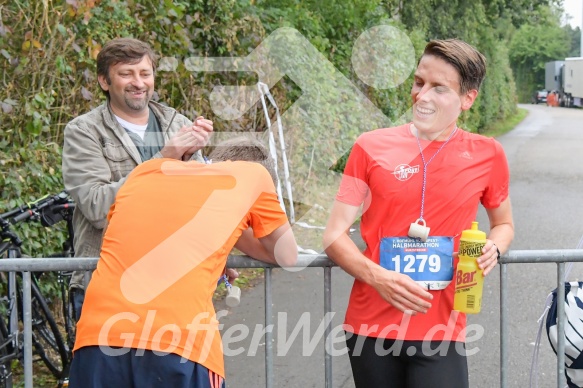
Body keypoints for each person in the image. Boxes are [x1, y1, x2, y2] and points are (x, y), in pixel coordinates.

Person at [323, 39, 514, 388]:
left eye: (439, 88)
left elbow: (503, 224)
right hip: (371, 326)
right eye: (418, 82)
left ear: (467, 98)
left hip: (442, 327)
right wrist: (380, 278)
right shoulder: (370, 146)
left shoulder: (487, 154)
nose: (422, 95)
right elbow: (334, 235)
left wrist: (494, 248)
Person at [68, 136, 298, 388]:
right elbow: (286, 254)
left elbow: (122, 238)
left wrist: (216, 247)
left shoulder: (145, 171)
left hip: (98, 335)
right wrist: (236, 231)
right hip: (179, 343)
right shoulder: (255, 173)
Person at [62, 38, 213, 319]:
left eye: (145, 73)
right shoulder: (84, 131)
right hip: (108, 285)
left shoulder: (177, 124)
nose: (138, 82)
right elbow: (96, 207)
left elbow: (200, 205)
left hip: (175, 280)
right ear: (104, 81)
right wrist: (164, 159)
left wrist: (193, 160)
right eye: (126, 74)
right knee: (108, 364)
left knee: (173, 365)